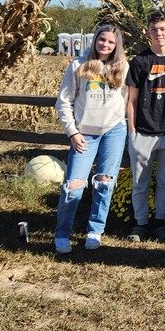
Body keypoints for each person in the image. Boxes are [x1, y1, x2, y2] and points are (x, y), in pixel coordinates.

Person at [53, 24, 129, 253]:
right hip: (85, 133)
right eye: (101, 40)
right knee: (74, 185)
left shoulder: (123, 67)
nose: (105, 45)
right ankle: (62, 233)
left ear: (117, 46)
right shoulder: (78, 65)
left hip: (114, 131)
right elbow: (64, 101)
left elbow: (126, 99)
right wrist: (72, 132)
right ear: (95, 40)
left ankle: (95, 231)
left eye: (111, 42)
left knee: (105, 182)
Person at [125, 11, 165, 243]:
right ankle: (141, 223)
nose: (159, 33)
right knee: (139, 183)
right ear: (148, 33)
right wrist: (131, 131)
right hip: (143, 132)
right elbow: (131, 100)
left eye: (163, 29)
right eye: (154, 30)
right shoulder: (139, 61)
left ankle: (160, 222)